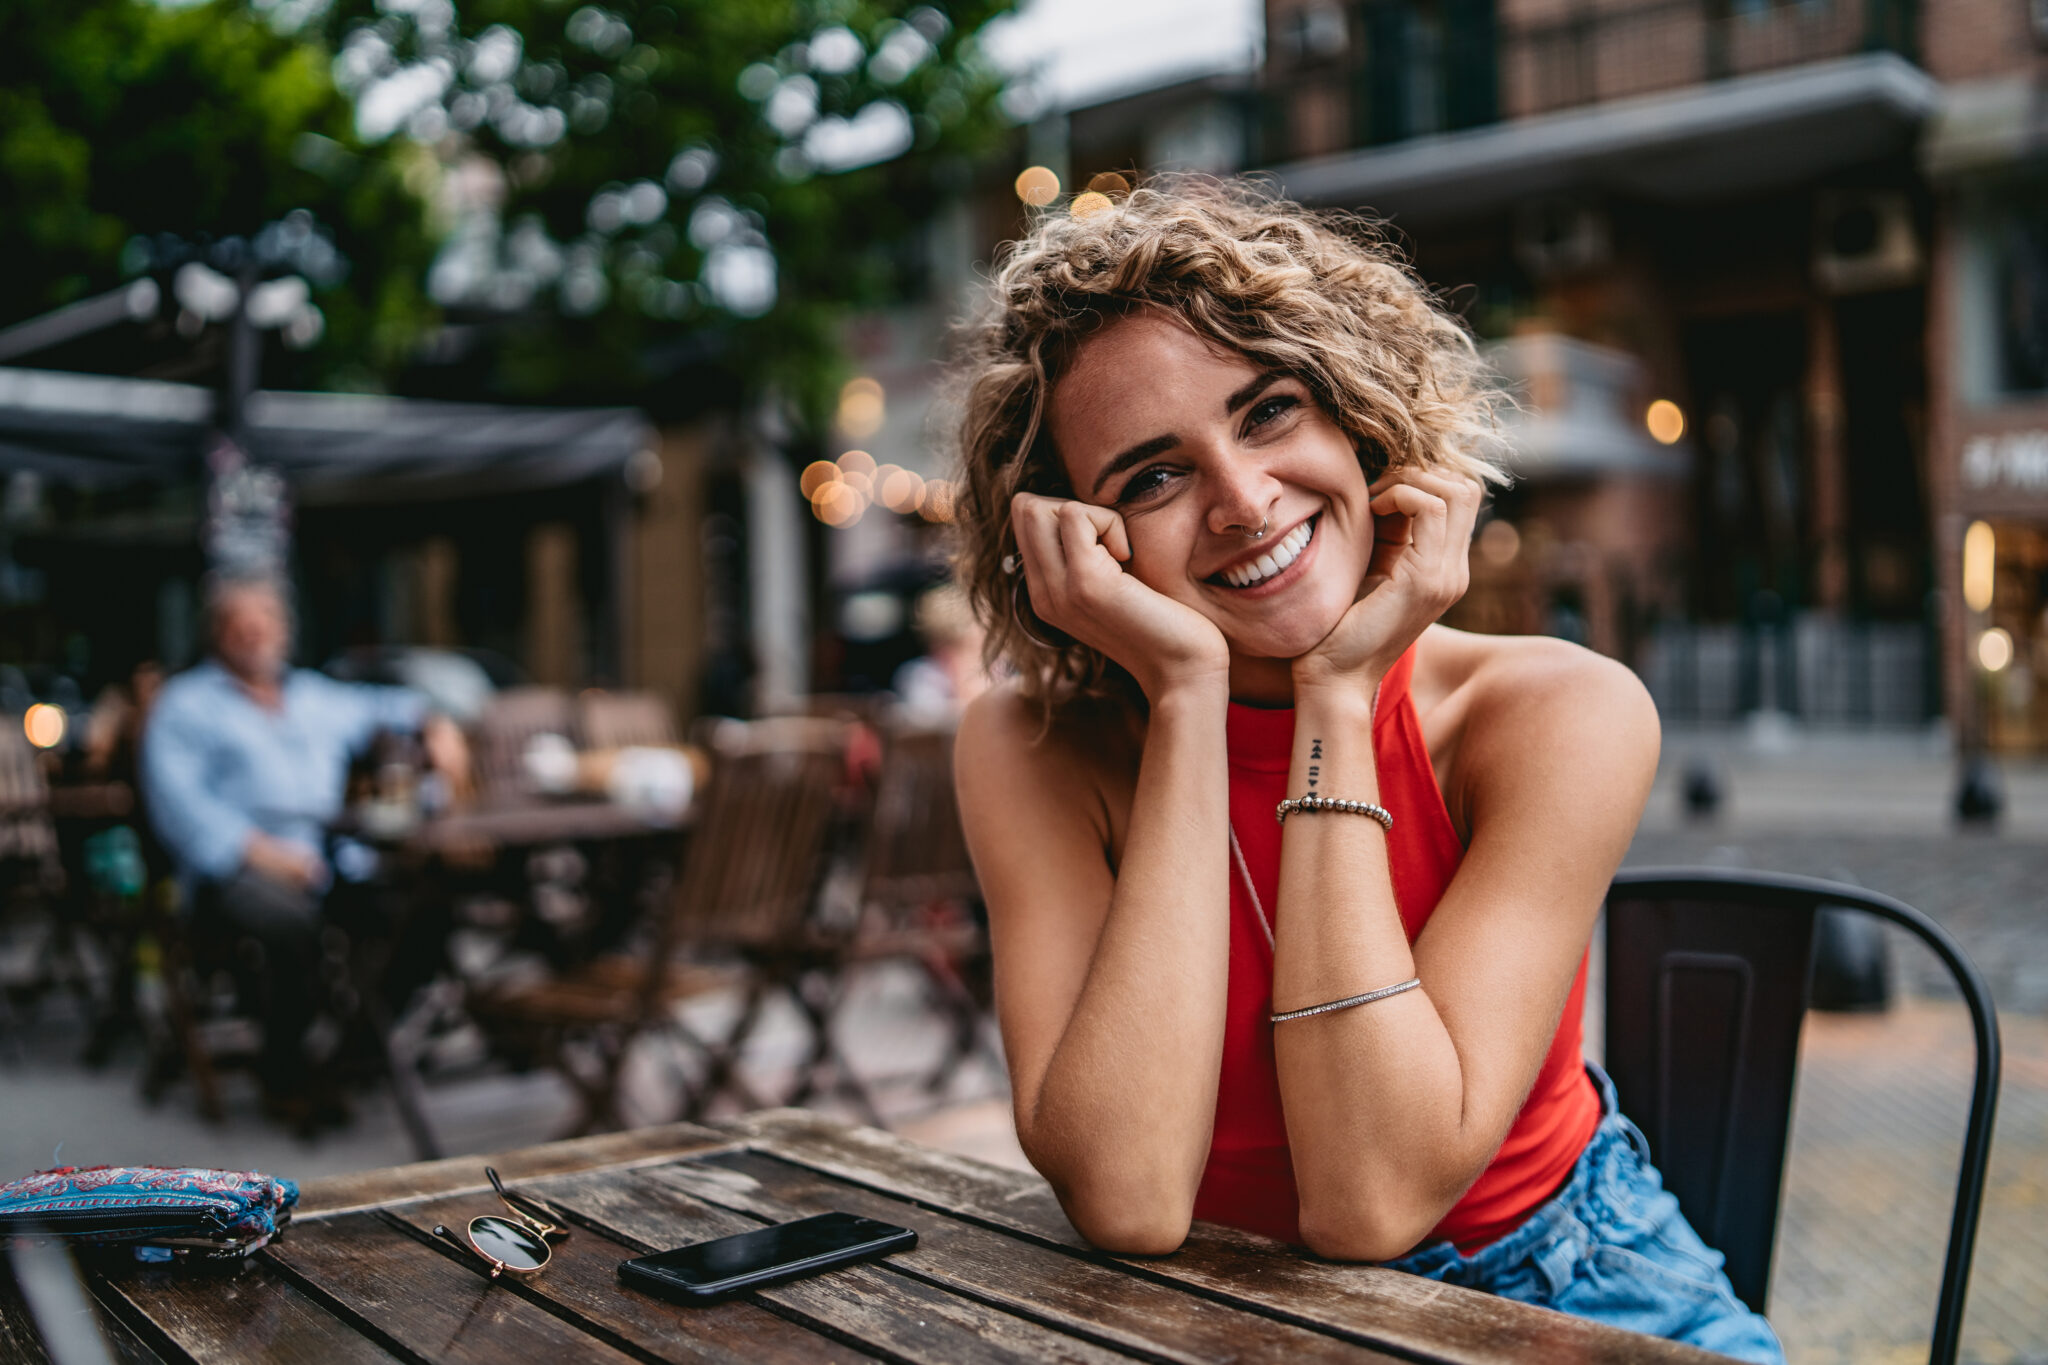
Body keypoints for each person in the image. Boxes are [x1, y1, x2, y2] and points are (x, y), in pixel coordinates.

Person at [948, 180, 1783, 1363]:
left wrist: (1334, 694)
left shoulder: (1555, 710)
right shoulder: (1028, 747)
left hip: (1562, 1293)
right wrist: (1184, 695)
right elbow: (1129, 1200)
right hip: (1219, 1312)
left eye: (1268, 411)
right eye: (1151, 477)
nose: (1242, 502)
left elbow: (1371, 1201)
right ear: (1075, 540)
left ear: (1356, 415)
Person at [140, 569, 469, 1120]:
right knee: (292, 925)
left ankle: (352, 1055)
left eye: (265, 620)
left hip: (332, 854)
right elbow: (180, 807)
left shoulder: (315, 694)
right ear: (216, 633)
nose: (254, 633)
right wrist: (264, 853)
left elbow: (392, 704)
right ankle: (286, 1067)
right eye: (239, 624)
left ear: (285, 629)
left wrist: (437, 725)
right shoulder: (186, 704)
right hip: (237, 867)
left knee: (430, 907)